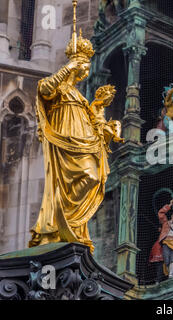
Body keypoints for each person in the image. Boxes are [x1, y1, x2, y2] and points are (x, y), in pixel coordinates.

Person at [29, 29, 121, 254]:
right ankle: (60, 223)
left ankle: (71, 224)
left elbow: (95, 126)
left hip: (82, 143)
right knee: (79, 178)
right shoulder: (59, 88)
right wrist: (67, 67)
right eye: (84, 64)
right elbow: (43, 90)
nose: (86, 70)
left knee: (92, 176)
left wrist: (107, 129)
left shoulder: (81, 96)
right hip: (64, 141)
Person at [149, 199, 173, 279]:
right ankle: (168, 273)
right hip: (166, 243)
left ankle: (171, 274)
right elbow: (161, 213)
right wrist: (170, 205)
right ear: (172, 216)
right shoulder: (165, 223)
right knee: (166, 259)